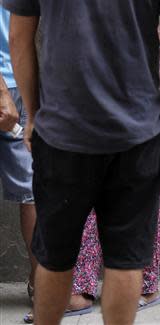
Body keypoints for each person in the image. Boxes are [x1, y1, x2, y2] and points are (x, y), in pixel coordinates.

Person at [21, 2, 160, 322]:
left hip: (62, 129)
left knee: (54, 256)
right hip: (136, 132)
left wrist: (33, 114)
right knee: (125, 260)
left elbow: (19, 36)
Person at [0, 4, 37, 307]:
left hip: (20, 82)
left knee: (33, 192)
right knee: (32, 191)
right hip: (15, 81)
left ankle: (41, 281)